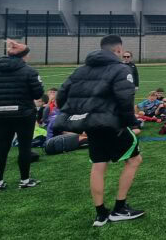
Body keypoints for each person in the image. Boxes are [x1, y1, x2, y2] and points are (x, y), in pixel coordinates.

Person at [54, 35, 144, 227]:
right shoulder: (121, 69)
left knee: (98, 165)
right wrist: (133, 123)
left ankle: (100, 214)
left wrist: (78, 113)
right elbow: (125, 99)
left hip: (90, 125)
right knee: (135, 159)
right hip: (110, 124)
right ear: (118, 50)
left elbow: (61, 96)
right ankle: (120, 208)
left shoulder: (80, 70)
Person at [0, 39, 44, 192]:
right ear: (24, 56)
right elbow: (38, 94)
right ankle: (24, 180)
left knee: (1, 148)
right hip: (24, 114)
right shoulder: (30, 71)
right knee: (24, 148)